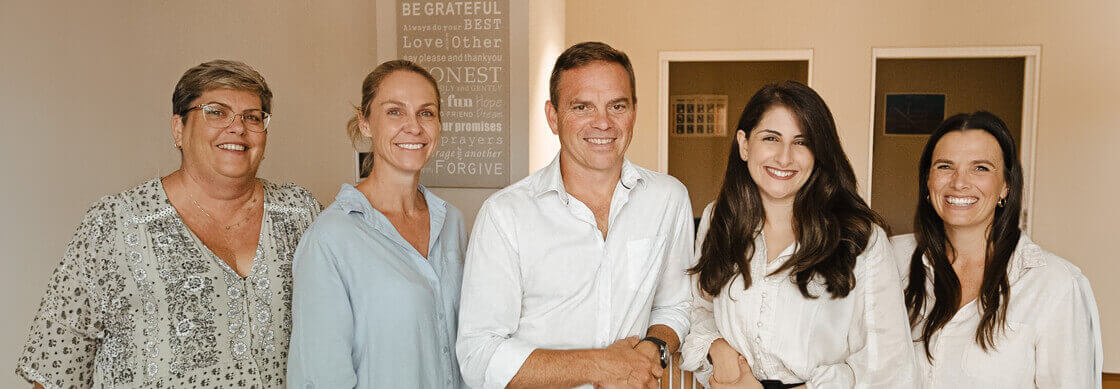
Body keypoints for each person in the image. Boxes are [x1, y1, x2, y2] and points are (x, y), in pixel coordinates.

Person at [15, 60, 321, 388]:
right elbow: (57, 364)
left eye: (252, 117)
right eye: (216, 112)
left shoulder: (300, 213)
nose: (237, 127)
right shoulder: (116, 223)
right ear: (179, 128)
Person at [455, 41, 694, 389]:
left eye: (617, 106)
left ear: (634, 112)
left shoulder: (668, 199)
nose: (603, 123)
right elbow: (479, 356)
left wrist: (650, 349)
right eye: (583, 107)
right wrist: (600, 367)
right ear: (553, 117)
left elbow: (675, 305)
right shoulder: (505, 214)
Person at [680, 81, 916, 388]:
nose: (784, 157)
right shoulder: (719, 218)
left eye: (801, 142)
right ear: (744, 144)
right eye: (771, 138)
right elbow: (700, 308)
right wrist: (720, 352)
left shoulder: (861, 239)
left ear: (818, 153)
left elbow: (890, 363)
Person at [285, 60, 467, 388]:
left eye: (426, 112)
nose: (414, 126)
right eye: (395, 112)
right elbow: (321, 378)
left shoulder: (452, 222)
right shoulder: (330, 239)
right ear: (365, 123)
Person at [892, 111, 1101, 388]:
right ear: (927, 183)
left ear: (1005, 186)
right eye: (945, 166)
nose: (959, 182)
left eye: (980, 168)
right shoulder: (890, 260)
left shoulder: (1056, 284)